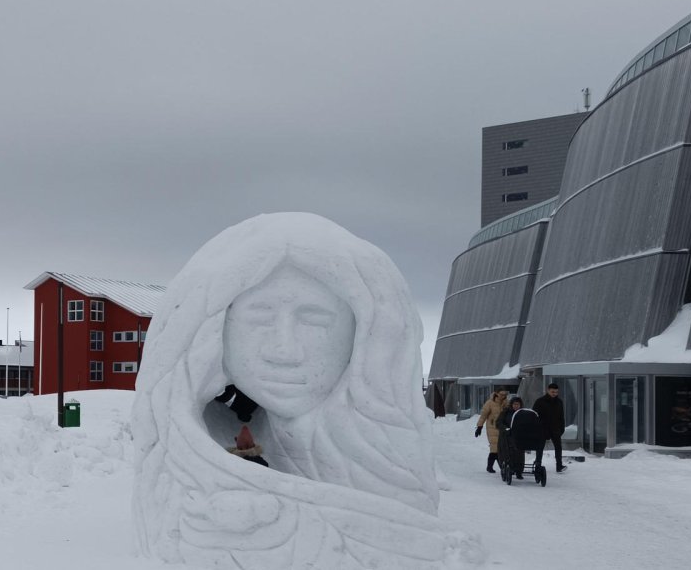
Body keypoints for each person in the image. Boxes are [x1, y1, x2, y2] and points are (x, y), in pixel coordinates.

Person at [132, 212, 481, 569]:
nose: (284, 351)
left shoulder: (388, 458)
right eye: (260, 317)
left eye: (314, 319)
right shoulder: (184, 474)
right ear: (212, 329)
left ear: (367, 332)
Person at [532, 382, 567, 472]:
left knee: (558, 447)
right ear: (548, 391)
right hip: (542, 429)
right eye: (552, 392)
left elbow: (561, 417)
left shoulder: (559, 402)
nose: (554, 394)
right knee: (540, 448)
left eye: (556, 392)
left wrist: (561, 429)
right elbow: (534, 415)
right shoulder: (540, 401)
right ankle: (538, 465)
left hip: (555, 429)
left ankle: (559, 466)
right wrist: (537, 428)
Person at [475, 389, 509, 473]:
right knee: (495, 447)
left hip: (502, 427)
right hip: (492, 427)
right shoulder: (490, 403)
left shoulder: (507, 403)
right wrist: (479, 426)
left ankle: (500, 466)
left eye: (505, 394)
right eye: (501, 394)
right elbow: (483, 415)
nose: (503, 396)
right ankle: (495, 466)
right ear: (497, 394)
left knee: (501, 447)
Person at [497, 396, 526, 478]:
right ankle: (508, 467)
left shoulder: (522, 413)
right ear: (511, 404)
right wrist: (505, 429)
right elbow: (499, 423)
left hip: (518, 437)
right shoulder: (505, 412)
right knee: (507, 453)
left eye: (518, 404)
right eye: (515, 404)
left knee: (519, 453)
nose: (516, 406)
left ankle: (519, 471)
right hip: (507, 436)